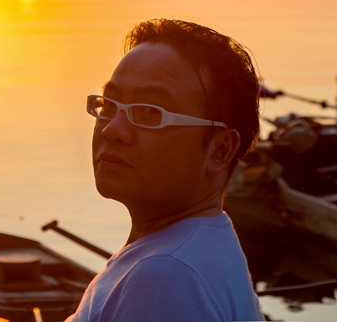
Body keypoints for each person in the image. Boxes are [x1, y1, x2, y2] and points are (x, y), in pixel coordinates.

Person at [68, 19, 264, 322]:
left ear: (219, 149)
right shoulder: (203, 247)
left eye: (149, 113)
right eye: (110, 105)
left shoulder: (165, 276)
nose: (113, 130)